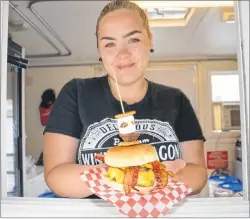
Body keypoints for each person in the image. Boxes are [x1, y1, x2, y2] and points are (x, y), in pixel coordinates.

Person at [43, 0, 207, 199]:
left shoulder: (176, 99)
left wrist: (156, 177)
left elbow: (197, 172)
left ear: (150, 40)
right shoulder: (76, 93)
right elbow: (55, 175)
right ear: (100, 52)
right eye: (109, 43)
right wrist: (123, 175)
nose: (122, 54)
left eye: (134, 40)